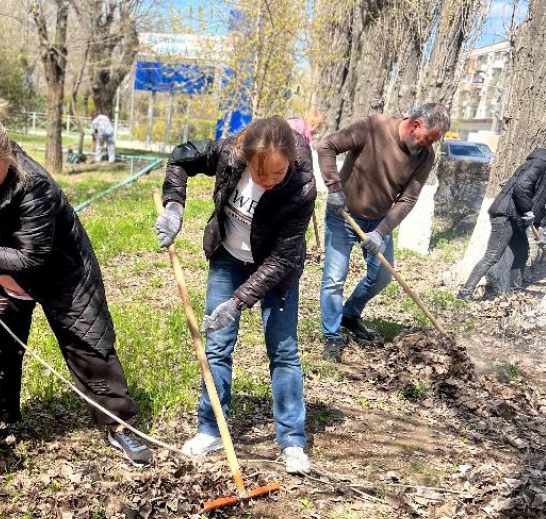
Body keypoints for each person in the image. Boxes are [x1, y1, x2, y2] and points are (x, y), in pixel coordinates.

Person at [0, 93, 153, 467]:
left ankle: (120, 424)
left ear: (8, 159)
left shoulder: (33, 185)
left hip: (59, 274)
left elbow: (32, 256)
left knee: (88, 344)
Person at [154, 117, 316, 474]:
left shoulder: (301, 185)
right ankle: (210, 429)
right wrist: (174, 205)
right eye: (262, 174)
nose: (270, 181)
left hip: (276, 271)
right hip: (228, 258)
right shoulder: (229, 152)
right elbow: (181, 157)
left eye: (278, 174)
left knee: (284, 352)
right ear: (245, 158)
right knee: (216, 345)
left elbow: (283, 257)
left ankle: (292, 442)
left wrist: (239, 301)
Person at [317, 102, 449, 362]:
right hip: (343, 214)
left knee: (380, 278)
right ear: (415, 125)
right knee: (334, 278)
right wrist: (333, 188)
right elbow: (326, 146)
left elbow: (408, 199)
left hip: (378, 221)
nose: (429, 144)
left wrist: (381, 231)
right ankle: (331, 336)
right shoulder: (373, 127)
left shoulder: (425, 156)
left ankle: (350, 313)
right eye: (429, 138)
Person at [458, 149, 546, 300]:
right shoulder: (539, 164)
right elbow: (521, 186)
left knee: (521, 253)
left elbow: (539, 202)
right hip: (507, 216)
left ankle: (514, 292)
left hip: (516, 219)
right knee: (492, 256)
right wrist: (527, 210)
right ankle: (465, 293)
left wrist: (541, 228)